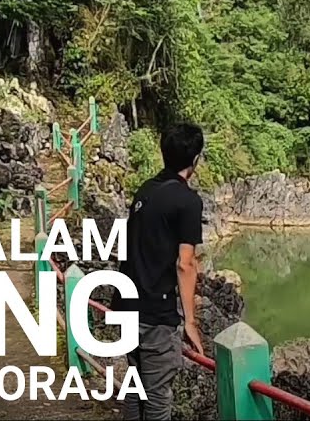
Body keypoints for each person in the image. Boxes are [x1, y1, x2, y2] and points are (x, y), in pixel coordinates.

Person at [114, 123, 206, 420]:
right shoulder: (188, 201)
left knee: (134, 385)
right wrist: (190, 321)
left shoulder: (146, 190)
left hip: (126, 303)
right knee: (157, 396)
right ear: (194, 160)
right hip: (155, 312)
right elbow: (185, 263)